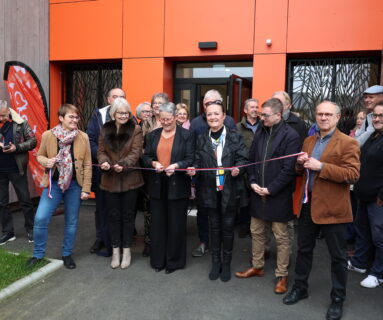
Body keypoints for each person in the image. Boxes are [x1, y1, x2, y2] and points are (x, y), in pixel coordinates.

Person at [283, 101, 360, 320]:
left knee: (337, 257)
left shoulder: (348, 143)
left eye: (328, 114)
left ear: (337, 118)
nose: (323, 117)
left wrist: (322, 167)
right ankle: (300, 288)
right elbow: (303, 171)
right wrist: (300, 164)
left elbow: (353, 175)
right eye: (319, 114)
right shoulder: (308, 140)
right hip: (308, 205)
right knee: (304, 251)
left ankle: (337, 300)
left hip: (334, 210)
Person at [235, 98, 300, 294]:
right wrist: (252, 182)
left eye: (265, 115)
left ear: (278, 115)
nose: (261, 117)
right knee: (256, 232)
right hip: (257, 191)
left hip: (278, 195)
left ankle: (282, 275)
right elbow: (251, 160)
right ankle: (257, 266)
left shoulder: (291, 135)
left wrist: (270, 189)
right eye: (261, 114)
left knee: (281, 237)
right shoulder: (261, 132)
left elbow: (289, 170)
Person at [188, 101, 248, 282]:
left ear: (224, 116)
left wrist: (239, 168)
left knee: (228, 228)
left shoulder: (234, 137)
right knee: (214, 227)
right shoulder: (201, 139)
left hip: (229, 189)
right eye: (209, 114)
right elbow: (197, 161)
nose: (213, 117)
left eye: (216, 114)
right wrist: (194, 170)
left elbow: (243, 159)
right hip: (209, 189)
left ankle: (227, 263)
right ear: (206, 117)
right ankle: (215, 262)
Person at [27, 104, 92, 269]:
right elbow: (39, 155)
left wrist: (86, 189)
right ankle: (38, 254)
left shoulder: (82, 137)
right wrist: (46, 161)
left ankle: (67, 254)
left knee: (71, 222)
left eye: (76, 117)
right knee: (41, 218)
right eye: (71, 117)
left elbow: (87, 164)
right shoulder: (49, 135)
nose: (75, 120)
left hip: (75, 185)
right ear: (61, 118)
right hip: (53, 185)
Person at [142, 102, 194, 273]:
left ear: (175, 117)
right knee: (157, 225)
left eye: (168, 119)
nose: (165, 122)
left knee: (176, 225)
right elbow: (146, 157)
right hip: (157, 185)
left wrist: (177, 165)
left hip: (177, 184)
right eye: (161, 119)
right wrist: (154, 162)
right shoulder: (153, 135)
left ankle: (174, 262)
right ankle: (158, 261)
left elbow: (190, 158)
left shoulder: (187, 135)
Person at [190, 89, 237, 257]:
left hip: (226, 182)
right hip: (205, 181)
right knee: (204, 213)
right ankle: (204, 242)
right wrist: (194, 170)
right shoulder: (195, 123)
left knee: (224, 216)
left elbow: (236, 151)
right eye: (207, 105)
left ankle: (224, 247)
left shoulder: (230, 122)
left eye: (214, 104)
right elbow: (193, 150)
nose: (211, 109)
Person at [98, 97, 144, 269]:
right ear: (113, 114)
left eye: (126, 113)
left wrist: (123, 165)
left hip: (130, 179)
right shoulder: (105, 128)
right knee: (113, 216)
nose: (124, 116)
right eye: (120, 113)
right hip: (109, 179)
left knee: (127, 217)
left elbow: (136, 152)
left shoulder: (136, 129)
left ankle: (127, 250)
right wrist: (104, 162)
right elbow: (101, 151)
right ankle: (115, 250)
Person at [347, 101, 383, 288]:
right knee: (362, 231)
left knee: (379, 237)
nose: (377, 119)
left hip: (379, 199)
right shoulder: (373, 136)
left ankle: (378, 273)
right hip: (363, 194)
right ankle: (360, 263)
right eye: (375, 115)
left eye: (381, 116)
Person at [87, 88, 126, 256]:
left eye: (122, 97)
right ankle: (101, 238)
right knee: (102, 207)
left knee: (121, 208)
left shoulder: (128, 116)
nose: (118, 99)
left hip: (122, 172)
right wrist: (103, 160)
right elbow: (90, 140)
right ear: (108, 99)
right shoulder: (97, 116)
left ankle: (120, 241)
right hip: (102, 171)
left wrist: (119, 161)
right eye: (115, 96)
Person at [0, 100, 36, 245]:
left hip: (16, 168)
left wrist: (17, 147)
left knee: (25, 200)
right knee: (2, 203)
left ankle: (31, 229)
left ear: (8, 111)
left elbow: (33, 141)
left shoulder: (21, 123)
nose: (0, 118)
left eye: (2, 115)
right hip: (0, 170)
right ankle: (8, 232)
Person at [140, 92, 169, 257]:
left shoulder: (171, 120)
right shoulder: (147, 122)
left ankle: (164, 240)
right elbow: (142, 147)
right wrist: (153, 160)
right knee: (149, 209)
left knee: (166, 208)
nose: (157, 105)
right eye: (155, 103)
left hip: (170, 171)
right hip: (151, 172)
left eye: (161, 102)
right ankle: (149, 241)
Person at [236, 98, 259, 238]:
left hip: (259, 168)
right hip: (244, 168)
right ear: (245, 110)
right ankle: (244, 225)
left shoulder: (264, 125)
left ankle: (255, 227)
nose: (255, 109)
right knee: (244, 199)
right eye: (252, 107)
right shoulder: (238, 127)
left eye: (257, 107)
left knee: (256, 199)